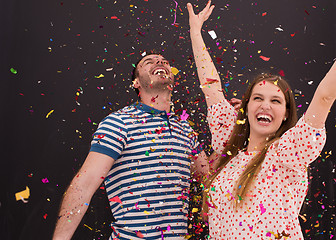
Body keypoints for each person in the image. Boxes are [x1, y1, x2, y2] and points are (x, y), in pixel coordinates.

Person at [188, 1, 335, 239]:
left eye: (276, 101)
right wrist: (195, 32)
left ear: (286, 113)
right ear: (246, 108)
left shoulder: (288, 152)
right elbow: (211, 88)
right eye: (258, 98)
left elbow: (325, 96)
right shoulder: (229, 145)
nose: (265, 105)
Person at [52, 53, 210, 240]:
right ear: (136, 83)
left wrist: (235, 130)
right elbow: (84, 184)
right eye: (149, 62)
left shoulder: (184, 128)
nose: (159, 62)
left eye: (164, 61)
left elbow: (208, 176)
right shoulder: (120, 122)